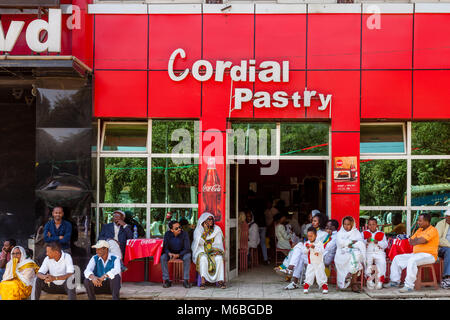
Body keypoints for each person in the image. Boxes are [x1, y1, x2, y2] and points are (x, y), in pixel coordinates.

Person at [384, 213, 439, 293]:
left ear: (427, 222)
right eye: (418, 220)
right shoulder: (419, 230)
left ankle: (409, 286)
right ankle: (395, 281)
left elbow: (422, 240)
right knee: (397, 258)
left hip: (429, 255)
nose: (418, 222)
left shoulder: (432, 230)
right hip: (417, 254)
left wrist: (417, 240)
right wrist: (417, 240)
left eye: (420, 221)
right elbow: (411, 241)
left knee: (412, 260)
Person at [191, 212, 226, 290]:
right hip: (201, 250)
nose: (211, 221)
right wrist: (205, 232)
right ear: (203, 221)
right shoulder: (198, 230)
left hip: (213, 250)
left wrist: (214, 251)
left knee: (219, 258)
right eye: (209, 219)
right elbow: (199, 243)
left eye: (212, 219)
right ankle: (203, 281)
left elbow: (218, 243)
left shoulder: (217, 229)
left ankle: (220, 280)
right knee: (203, 258)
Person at [335, 216, 366, 293]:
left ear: (352, 224)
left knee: (356, 257)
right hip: (342, 253)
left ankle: (353, 281)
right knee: (355, 258)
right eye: (345, 224)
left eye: (348, 224)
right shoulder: (340, 233)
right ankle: (350, 279)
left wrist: (349, 243)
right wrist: (352, 242)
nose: (346, 226)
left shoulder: (356, 232)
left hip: (353, 253)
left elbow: (360, 243)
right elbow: (340, 244)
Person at [161, 220, 192, 289]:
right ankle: (166, 280)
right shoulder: (167, 234)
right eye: (176, 228)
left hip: (182, 253)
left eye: (180, 227)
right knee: (163, 257)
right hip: (171, 253)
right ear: (171, 230)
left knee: (188, 256)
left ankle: (186, 280)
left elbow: (187, 248)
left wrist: (178, 255)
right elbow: (165, 247)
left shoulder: (185, 234)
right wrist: (169, 253)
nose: (179, 229)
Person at [362, 217, 388, 290]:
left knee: (382, 263)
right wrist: (366, 241)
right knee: (367, 263)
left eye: (373, 224)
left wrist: (378, 242)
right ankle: (369, 280)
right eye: (370, 224)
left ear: (376, 225)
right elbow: (360, 243)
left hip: (379, 252)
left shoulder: (381, 233)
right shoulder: (364, 233)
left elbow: (385, 245)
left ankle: (380, 281)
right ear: (367, 225)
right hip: (368, 252)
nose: (371, 226)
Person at [302, 227, 329, 294]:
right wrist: (307, 248)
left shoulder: (319, 243)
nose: (309, 238)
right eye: (308, 236)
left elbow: (321, 251)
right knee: (309, 274)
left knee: (321, 275)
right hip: (311, 262)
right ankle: (306, 287)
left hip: (319, 262)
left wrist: (314, 247)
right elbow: (304, 251)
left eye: (311, 236)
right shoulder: (306, 243)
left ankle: (324, 287)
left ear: (316, 235)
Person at [436, 209, 450, 283]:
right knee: (449, 251)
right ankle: (447, 277)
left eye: (449, 216)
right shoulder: (441, 224)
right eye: (446, 216)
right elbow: (437, 239)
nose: (447, 218)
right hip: (442, 249)